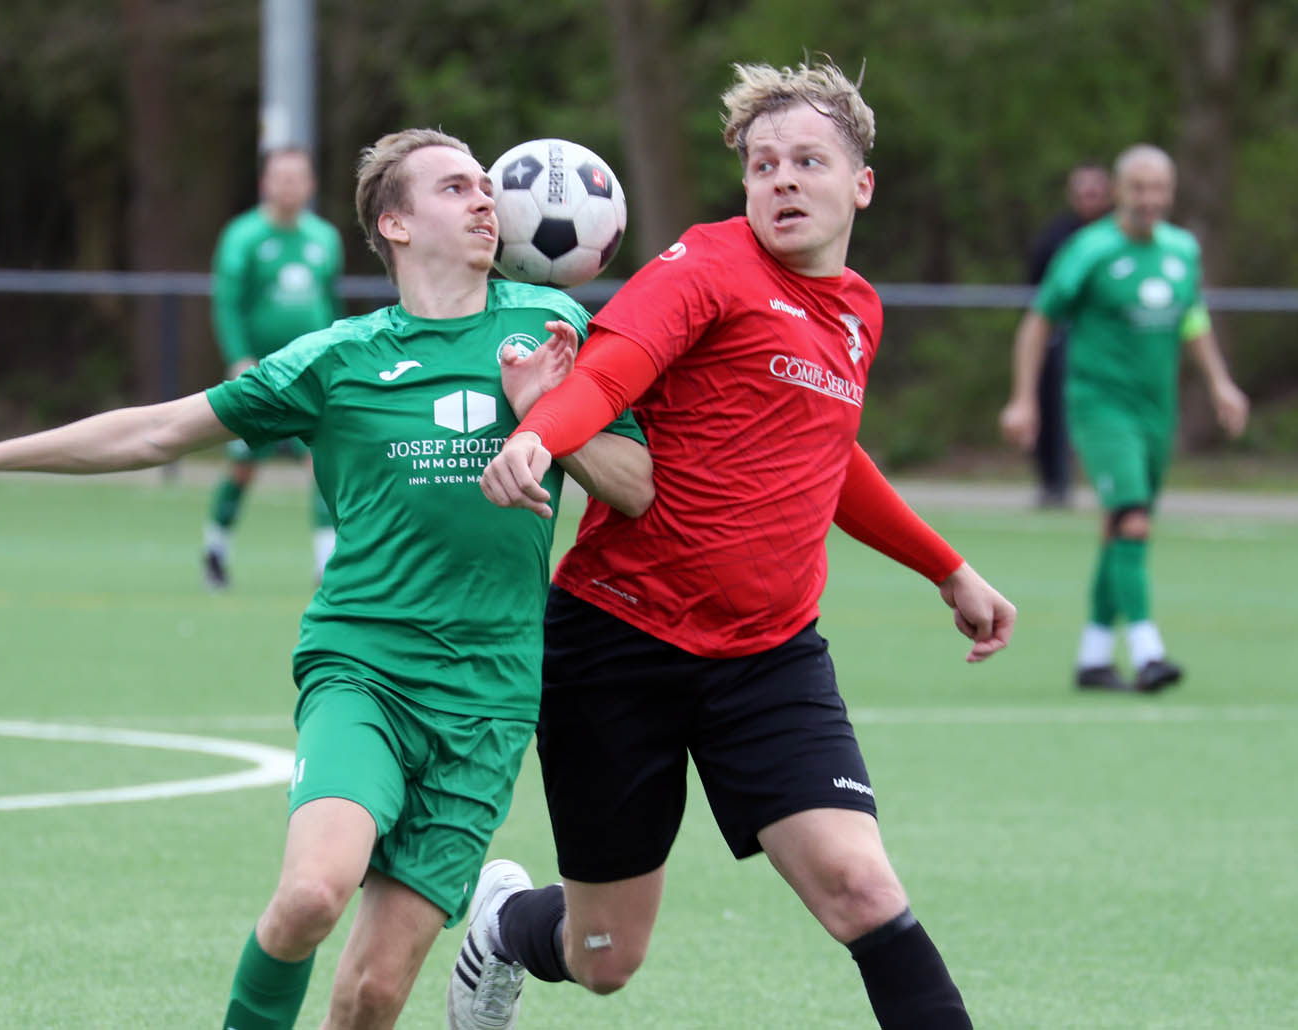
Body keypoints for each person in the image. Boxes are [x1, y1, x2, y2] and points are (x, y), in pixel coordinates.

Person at [0, 127, 653, 1030]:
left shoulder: (554, 332)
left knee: (369, 996)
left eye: (486, 185)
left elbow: (636, 488)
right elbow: (159, 430)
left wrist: (546, 416)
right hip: (365, 668)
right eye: (454, 188)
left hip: (492, 691)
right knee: (311, 896)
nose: (487, 200)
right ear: (395, 224)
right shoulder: (339, 359)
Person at [447, 61, 1016, 1030]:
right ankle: (505, 925)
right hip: (617, 643)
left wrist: (948, 566)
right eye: (762, 165)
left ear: (860, 184)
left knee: (860, 886)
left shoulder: (859, 312)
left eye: (807, 160)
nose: (782, 179)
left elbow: (831, 457)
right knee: (605, 957)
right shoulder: (707, 267)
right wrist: (540, 432)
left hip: (768, 656)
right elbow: (614, 371)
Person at [1000, 143, 1247, 692]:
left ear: (1171, 193)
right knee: (1133, 519)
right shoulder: (1090, 250)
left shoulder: (1183, 249)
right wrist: (1024, 398)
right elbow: (1037, 323)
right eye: (1138, 188)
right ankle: (1147, 648)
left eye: (1158, 188)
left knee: (1122, 530)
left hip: (1157, 413)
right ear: (1119, 191)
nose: (1148, 199)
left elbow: (1193, 319)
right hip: (1099, 406)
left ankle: (1092, 657)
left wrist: (1221, 383)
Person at [203, 146, 344, 589]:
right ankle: (215, 548)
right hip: (262, 375)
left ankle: (326, 563)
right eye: (281, 177)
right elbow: (227, 304)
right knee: (243, 466)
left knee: (322, 463)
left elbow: (328, 303)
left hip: (314, 375)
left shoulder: (324, 239)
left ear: (311, 185)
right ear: (265, 183)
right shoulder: (243, 237)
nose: (289, 186)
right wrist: (239, 357)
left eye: (297, 177)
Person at [1024, 162, 1113, 507]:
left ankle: (1115, 482)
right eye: (1083, 192)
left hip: (1109, 341)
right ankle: (1054, 482)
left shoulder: (1119, 237)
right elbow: (1037, 291)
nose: (1089, 199)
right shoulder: (1057, 236)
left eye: (1096, 192)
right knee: (1052, 406)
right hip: (1064, 336)